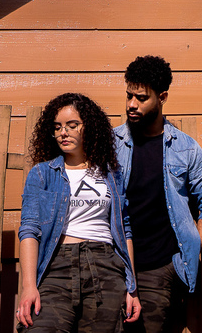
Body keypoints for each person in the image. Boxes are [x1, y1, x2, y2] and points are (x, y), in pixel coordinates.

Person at [113, 55, 202, 333]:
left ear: (162, 97)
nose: (131, 104)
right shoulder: (111, 144)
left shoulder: (185, 148)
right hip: (111, 264)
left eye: (141, 97)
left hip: (158, 268)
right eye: (128, 95)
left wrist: (192, 243)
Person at [18, 93, 142, 332]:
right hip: (57, 267)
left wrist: (132, 287)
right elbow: (29, 230)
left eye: (72, 125)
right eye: (57, 127)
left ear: (89, 127)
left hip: (105, 266)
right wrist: (28, 287)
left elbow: (124, 230)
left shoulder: (111, 174)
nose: (63, 132)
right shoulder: (42, 173)